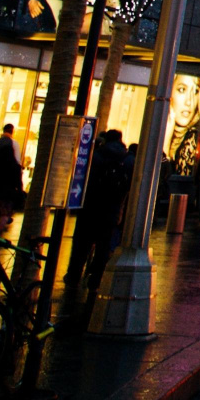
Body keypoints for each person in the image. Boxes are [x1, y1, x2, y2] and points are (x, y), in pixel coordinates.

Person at [64, 129, 130, 307]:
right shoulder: (125, 158)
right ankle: (96, 279)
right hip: (110, 209)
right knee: (103, 246)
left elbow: (83, 178)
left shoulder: (96, 155)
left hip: (90, 206)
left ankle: (74, 276)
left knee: (81, 244)